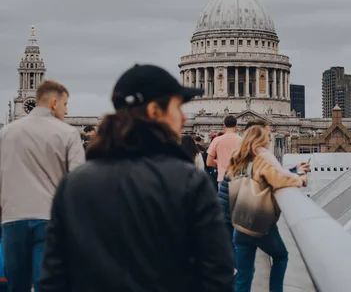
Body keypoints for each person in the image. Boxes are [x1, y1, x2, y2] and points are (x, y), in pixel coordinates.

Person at [40, 64, 235, 292]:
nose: (183, 118)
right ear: (154, 111)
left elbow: (53, 276)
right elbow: (218, 273)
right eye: (177, 107)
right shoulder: (189, 181)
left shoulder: (74, 184)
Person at [0, 80, 85, 292]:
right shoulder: (68, 133)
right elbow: (78, 181)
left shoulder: (6, 133)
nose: (66, 111)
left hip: (12, 218)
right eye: (65, 105)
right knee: (46, 284)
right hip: (50, 218)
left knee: (15, 285)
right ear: (54, 103)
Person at [219, 124, 308, 292]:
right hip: (259, 225)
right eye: (267, 136)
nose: (270, 139)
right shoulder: (261, 160)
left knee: (244, 276)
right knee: (281, 256)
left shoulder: (236, 160)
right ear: (260, 140)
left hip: (239, 225)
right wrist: (301, 179)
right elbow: (277, 179)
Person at [207, 115, 242, 185]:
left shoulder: (217, 140)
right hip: (238, 179)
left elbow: (208, 162)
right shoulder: (242, 141)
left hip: (222, 178)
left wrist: (219, 163)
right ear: (236, 125)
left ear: (224, 126)